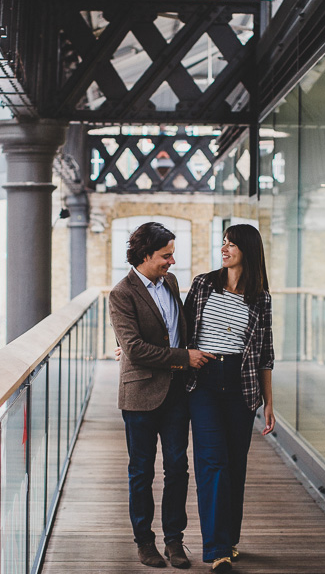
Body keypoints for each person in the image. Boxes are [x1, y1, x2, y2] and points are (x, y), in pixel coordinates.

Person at [109, 222, 214, 569]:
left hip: (175, 392)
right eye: (165, 255)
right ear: (144, 255)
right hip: (140, 396)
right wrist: (184, 357)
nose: (172, 261)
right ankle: (145, 542)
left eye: (172, 254)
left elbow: (178, 329)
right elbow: (136, 349)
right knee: (141, 471)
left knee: (177, 468)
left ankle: (174, 541)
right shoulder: (121, 294)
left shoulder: (169, 283)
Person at [183, 224, 275, 573]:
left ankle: (230, 538)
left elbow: (266, 354)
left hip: (243, 387)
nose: (224, 248)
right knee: (212, 463)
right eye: (223, 242)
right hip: (203, 383)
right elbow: (181, 327)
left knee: (235, 465)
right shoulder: (204, 283)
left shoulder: (261, 298)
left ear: (247, 251)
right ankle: (217, 549)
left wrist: (269, 402)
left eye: (232, 244)